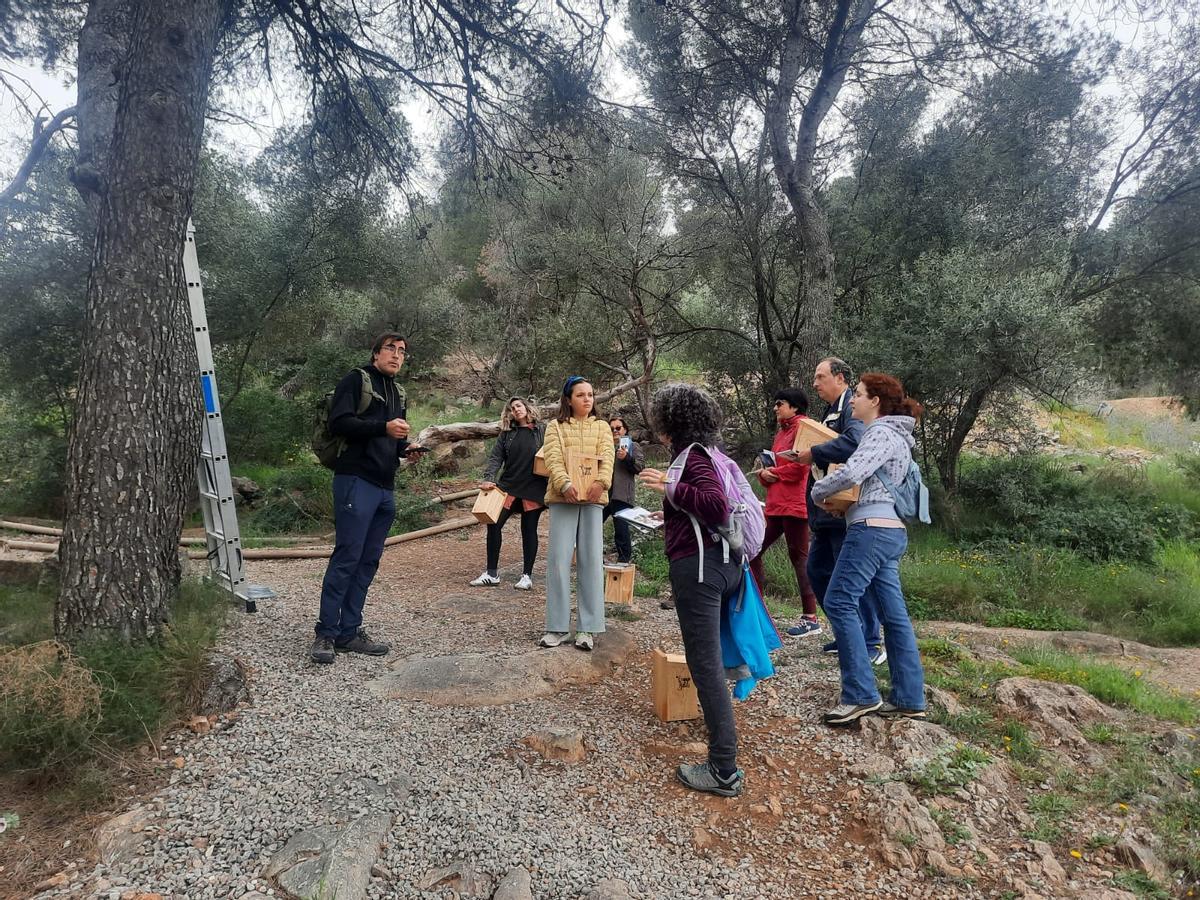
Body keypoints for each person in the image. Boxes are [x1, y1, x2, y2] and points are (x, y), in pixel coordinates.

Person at [640, 383, 745, 798]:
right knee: (710, 661)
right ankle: (724, 745)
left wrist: (669, 486)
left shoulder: (692, 458)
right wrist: (668, 512)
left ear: (672, 421)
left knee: (705, 665)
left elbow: (715, 505)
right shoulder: (707, 454)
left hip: (701, 570)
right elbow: (703, 510)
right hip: (721, 563)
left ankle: (724, 770)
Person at [811, 373, 927, 725]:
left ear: (875, 401)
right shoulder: (899, 437)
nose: (855, 401)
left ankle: (860, 694)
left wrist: (818, 492)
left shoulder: (879, 432)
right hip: (890, 530)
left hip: (870, 531)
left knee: (838, 601)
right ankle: (909, 697)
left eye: (859, 395)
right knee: (893, 616)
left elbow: (854, 472)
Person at [310, 332, 415, 664]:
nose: (397, 355)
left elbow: (393, 442)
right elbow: (341, 422)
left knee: (369, 560)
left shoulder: (397, 392)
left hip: (385, 486)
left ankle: (349, 632)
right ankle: (325, 633)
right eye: (391, 349)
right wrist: (382, 428)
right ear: (375, 354)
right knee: (347, 556)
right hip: (355, 479)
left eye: (401, 352)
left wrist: (406, 449)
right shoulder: (356, 380)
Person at [790, 357, 883, 664]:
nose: (815, 384)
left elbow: (854, 443)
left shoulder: (850, 410)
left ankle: (869, 641)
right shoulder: (830, 411)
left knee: (852, 579)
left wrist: (813, 452)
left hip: (840, 512)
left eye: (820, 377)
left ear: (840, 378)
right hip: (824, 514)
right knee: (817, 571)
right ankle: (848, 634)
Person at [540, 376, 614, 651]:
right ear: (568, 399)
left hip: (594, 499)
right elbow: (553, 458)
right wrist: (565, 484)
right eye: (581, 395)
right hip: (563, 498)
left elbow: (608, 458)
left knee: (591, 561)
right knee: (559, 562)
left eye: (590, 395)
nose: (587, 399)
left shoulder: (603, 427)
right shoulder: (555, 427)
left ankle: (588, 628)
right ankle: (557, 627)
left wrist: (600, 483)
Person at [748, 388, 820, 636]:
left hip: (796, 504)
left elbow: (801, 468)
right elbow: (778, 468)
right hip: (776, 503)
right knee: (753, 548)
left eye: (780, 403)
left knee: (799, 558)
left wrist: (773, 474)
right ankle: (755, 609)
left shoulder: (804, 428)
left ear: (795, 407)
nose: (776, 407)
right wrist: (766, 476)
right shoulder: (781, 432)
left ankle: (811, 617)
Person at [469, 397, 548, 590]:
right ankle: (491, 573)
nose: (516, 410)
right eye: (512, 408)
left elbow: (553, 454)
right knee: (494, 524)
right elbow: (496, 457)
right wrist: (489, 477)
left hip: (533, 487)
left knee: (528, 530)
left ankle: (527, 576)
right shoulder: (507, 433)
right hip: (508, 486)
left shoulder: (542, 429)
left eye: (519, 406)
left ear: (527, 407)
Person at [602, 416, 645, 564]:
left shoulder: (633, 446)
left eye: (618, 428)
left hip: (621, 494)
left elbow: (639, 467)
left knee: (621, 530)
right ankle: (594, 557)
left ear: (625, 429)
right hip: (603, 494)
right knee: (593, 526)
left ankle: (623, 561)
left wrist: (627, 457)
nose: (615, 431)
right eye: (611, 428)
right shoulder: (604, 445)